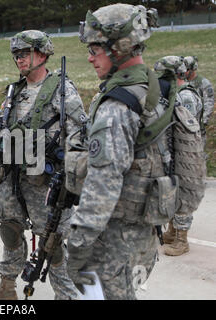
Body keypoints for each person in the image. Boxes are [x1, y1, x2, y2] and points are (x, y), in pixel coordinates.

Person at [0, 30, 86, 300]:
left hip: (46, 180)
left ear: (42, 53)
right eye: (16, 55)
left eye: (24, 53)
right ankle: (7, 288)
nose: (19, 59)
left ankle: (67, 295)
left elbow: (79, 136)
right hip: (14, 176)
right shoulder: (16, 91)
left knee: (54, 242)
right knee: (9, 230)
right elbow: (5, 129)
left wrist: (72, 180)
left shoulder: (62, 91)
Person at [66, 4, 162, 299]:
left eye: (96, 48)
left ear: (119, 47)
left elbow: (104, 183)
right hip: (145, 236)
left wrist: (78, 243)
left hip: (113, 242)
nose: (90, 57)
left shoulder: (116, 107)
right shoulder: (156, 92)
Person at [153, 56, 203, 256]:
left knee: (183, 192)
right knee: (172, 190)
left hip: (186, 152)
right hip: (173, 149)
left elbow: (185, 127)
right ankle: (173, 231)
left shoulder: (186, 96)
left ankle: (182, 239)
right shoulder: (175, 93)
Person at [183, 55, 214, 147]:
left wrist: (203, 120)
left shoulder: (203, 83)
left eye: (187, 69)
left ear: (193, 69)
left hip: (198, 126)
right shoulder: (181, 82)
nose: (184, 72)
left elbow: (209, 102)